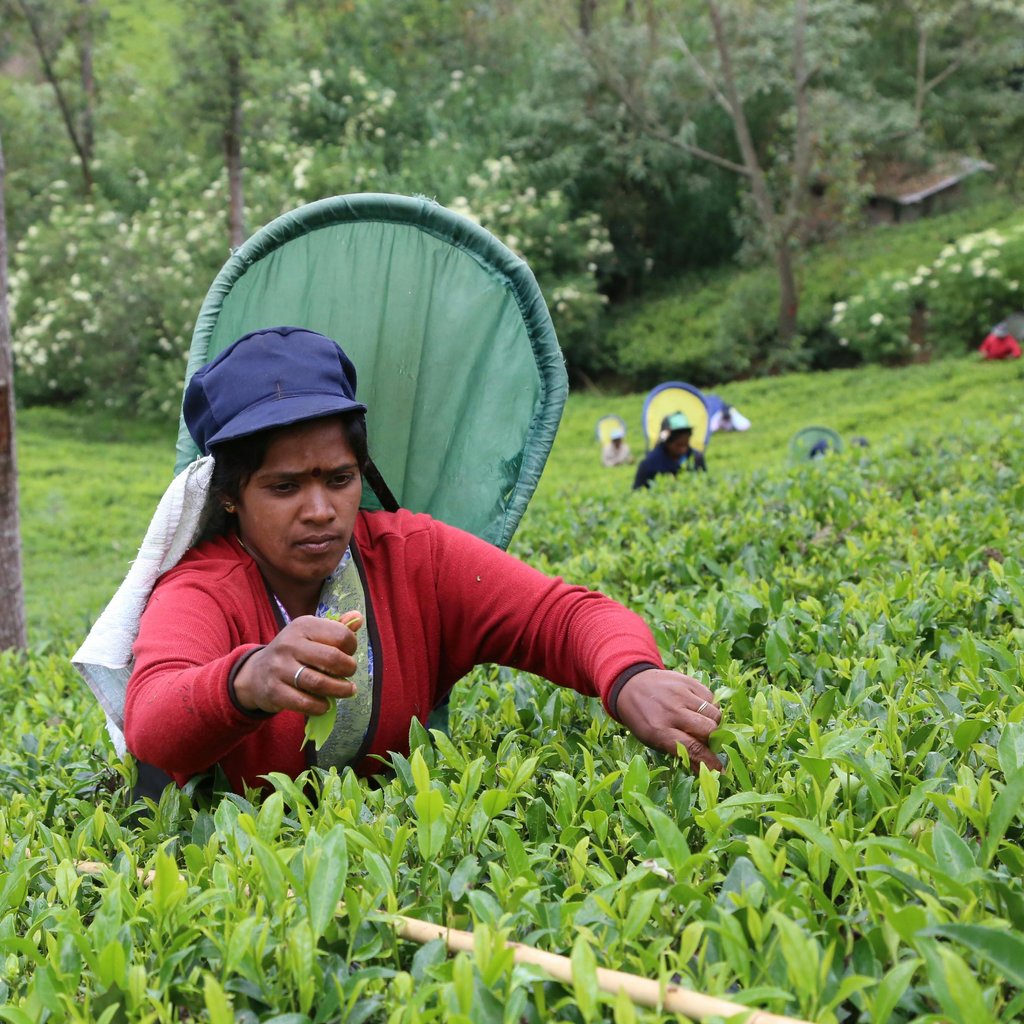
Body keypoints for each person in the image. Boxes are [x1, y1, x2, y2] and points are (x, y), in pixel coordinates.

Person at [123, 327, 722, 794]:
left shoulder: (413, 559)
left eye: (339, 479)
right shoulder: (203, 589)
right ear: (229, 495)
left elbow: (562, 617)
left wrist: (630, 679)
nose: (320, 510)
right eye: (283, 487)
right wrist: (248, 679)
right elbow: (151, 722)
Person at [632, 412, 707, 490]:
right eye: (679, 445)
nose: (683, 449)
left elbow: (704, 482)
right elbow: (637, 491)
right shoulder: (649, 464)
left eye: (685, 444)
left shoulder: (695, 458)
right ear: (666, 442)